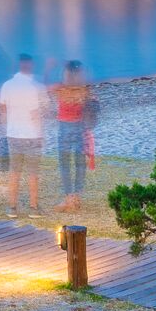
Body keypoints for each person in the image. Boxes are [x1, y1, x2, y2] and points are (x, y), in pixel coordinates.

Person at [0, 53, 48, 215]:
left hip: (13, 134)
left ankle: (12, 207)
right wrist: (42, 135)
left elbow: (3, 111)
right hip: (32, 134)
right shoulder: (35, 86)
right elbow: (37, 113)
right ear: (30, 65)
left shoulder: (7, 85)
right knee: (33, 173)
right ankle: (34, 208)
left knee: (14, 171)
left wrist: (6, 129)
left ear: (19, 66)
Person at [52, 60, 96, 212]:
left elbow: (44, 87)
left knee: (65, 164)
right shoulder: (84, 90)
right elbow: (92, 106)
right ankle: (76, 196)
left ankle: (69, 198)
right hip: (80, 127)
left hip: (65, 127)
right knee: (79, 163)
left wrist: (47, 68)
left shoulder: (61, 89)